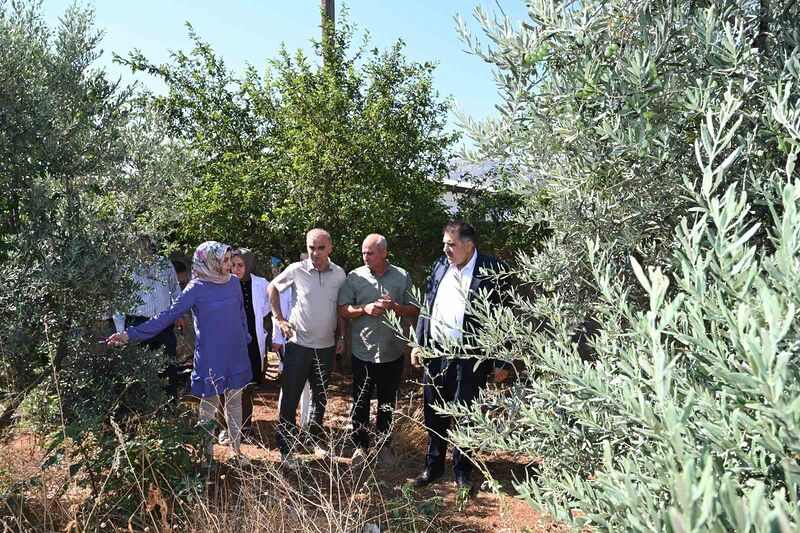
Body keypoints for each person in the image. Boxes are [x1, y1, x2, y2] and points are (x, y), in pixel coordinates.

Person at [106, 241, 252, 466]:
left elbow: (241, 314)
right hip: (211, 355)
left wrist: (246, 338)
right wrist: (128, 335)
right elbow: (166, 317)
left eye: (230, 259)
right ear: (209, 261)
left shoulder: (233, 282)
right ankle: (207, 457)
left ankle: (236, 451)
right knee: (209, 405)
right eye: (225, 260)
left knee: (235, 402)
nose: (230, 264)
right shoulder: (196, 288)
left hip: (236, 352)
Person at [411, 220, 510, 491]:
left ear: (468, 246)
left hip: (470, 358)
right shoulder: (440, 265)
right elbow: (427, 305)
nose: (446, 249)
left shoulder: (493, 270)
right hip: (436, 355)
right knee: (434, 413)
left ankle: (462, 472)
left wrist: (502, 361)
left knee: (466, 415)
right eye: (444, 243)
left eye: (451, 244)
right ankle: (433, 466)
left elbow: (504, 318)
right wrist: (418, 343)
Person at [338, 234, 419, 467]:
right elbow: (343, 309)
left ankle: (385, 446)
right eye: (363, 252)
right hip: (362, 350)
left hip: (392, 351)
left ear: (384, 253)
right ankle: (360, 447)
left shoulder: (401, 276)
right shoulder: (355, 277)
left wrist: (394, 307)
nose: (365, 257)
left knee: (387, 401)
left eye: (370, 252)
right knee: (361, 400)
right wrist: (365, 308)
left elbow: (414, 309)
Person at [268, 229, 346, 465]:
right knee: (290, 397)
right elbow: (272, 287)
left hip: (325, 347)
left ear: (330, 248)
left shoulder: (339, 274)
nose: (315, 253)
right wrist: (279, 318)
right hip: (298, 345)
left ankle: (314, 439)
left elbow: (342, 308)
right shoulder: (296, 269)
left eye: (321, 248)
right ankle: (286, 448)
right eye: (311, 247)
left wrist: (342, 336)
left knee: (319, 397)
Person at [114, 241, 183, 399]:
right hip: (137, 323)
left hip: (164, 323)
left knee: (168, 365)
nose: (141, 249)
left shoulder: (164, 264)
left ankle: (169, 407)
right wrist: (120, 331)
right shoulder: (125, 268)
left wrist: (179, 314)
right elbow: (118, 300)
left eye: (144, 245)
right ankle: (143, 410)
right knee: (140, 368)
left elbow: (175, 289)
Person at [230, 248, 270, 434]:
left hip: (252, 342)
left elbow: (267, 312)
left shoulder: (261, 284)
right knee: (229, 385)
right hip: (229, 341)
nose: (236, 269)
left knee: (247, 385)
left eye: (240, 265)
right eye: (233, 265)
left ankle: (246, 425)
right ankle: (227, 426)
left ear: (249, 265)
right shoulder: (223, 283)